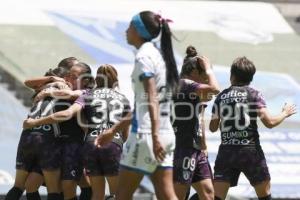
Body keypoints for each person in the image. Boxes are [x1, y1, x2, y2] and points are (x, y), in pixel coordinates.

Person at [97, 10, 179, 200]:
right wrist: (113, 130)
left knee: (122, 195)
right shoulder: (159, 55)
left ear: (139, 31)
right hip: (165, 135)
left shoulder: (144, 57)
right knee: (166, 194)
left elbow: (152, 97)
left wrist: (154, 135)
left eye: (130, 27)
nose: (126, 31)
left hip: (146, 135)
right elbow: (144, 105)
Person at [24, 64, 131, 200]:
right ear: (116, 79)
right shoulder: (123, 99)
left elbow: (68, 112)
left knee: (97, 194)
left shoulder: (87, 94)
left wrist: (36, 120)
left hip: (91, 143)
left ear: (95, 79)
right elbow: (126, 132)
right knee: (119, 195)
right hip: (113, 143)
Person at [209, 57, 297, 200]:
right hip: (250, 151)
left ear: (232, 75)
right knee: (264, 196)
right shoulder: (254, 94)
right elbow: (269, 122)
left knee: (217, 197)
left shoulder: (221, 96)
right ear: (251, 78)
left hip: (226, 152)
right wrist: (285, 113)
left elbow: (212, 128)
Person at [23, 62, 94, 200]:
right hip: (52, 145)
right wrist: (51, 80)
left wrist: (48, 91)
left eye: (74, 76)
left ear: (85, 80)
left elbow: (69, 103)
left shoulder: (84, 92)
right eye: (67, 75)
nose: (68, 79)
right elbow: (28, 83)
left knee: (68, 188)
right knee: (31, 185)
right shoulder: (60, 87)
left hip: (73, 145)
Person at [5, 67, 69, 200]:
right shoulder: (65, 88)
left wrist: (50, 81)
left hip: (28, 135)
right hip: (48, 138)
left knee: (19, 186)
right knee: (54, 190)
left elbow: (27, 82)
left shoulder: (41, 88)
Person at [172, 46, 219, 200]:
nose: (206, 78)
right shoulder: (184, 84)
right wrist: (209, 70)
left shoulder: (193, 92)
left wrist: (203, 145)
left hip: (196, 148)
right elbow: (215, 89)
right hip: (183, 146)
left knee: (208, 193)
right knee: (178, 195)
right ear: (194, 73)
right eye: (204, 75)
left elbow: (199, 119)